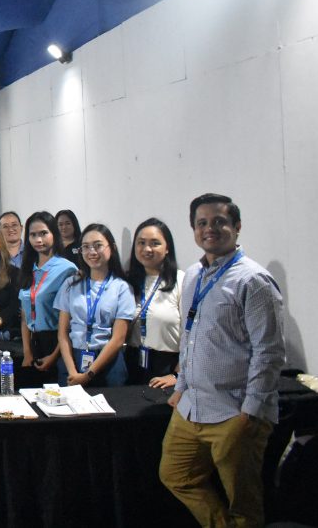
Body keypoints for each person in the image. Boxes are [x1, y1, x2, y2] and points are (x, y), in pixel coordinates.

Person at [160, 194, 284, 528]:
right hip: (192, 406)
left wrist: (251, 411)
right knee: (175, 475)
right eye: (202, 223)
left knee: (243, 500)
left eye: (219, 221)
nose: (210, 229)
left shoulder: (253, 281)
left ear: (237, 227)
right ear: (194, 230)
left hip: (234, 411)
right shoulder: (194, 276)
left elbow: (269, 352)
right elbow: (189, 337)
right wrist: (181, 386)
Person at [54, 224, 135, 387]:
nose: (92, 252)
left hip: (107, 361)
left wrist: (88, 374)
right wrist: (72, 372)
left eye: (98, 246)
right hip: (73, 358)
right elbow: (62, 333)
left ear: (112, 248)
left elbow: (118, 339)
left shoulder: (122, 287)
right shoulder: (71, 284)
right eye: (85, 247)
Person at [18, 212, 77, 386]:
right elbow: (24, 315)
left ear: (54, 234)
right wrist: (27, 352)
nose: (38, 239)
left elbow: (72, 320)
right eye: (33, 235)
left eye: (43, 233)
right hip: (33, 343)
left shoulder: (67, 269)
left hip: (57, 343)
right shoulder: (29, 267)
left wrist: (54, 356)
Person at [124, 218, 183, 386]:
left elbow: (191, 334)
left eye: (155, 243)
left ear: (167, 248)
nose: (147, 249)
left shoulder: (181, 280)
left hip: (166, 366)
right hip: (132, 362)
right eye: (141, 243)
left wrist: (178, 375)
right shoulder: (127, 282)